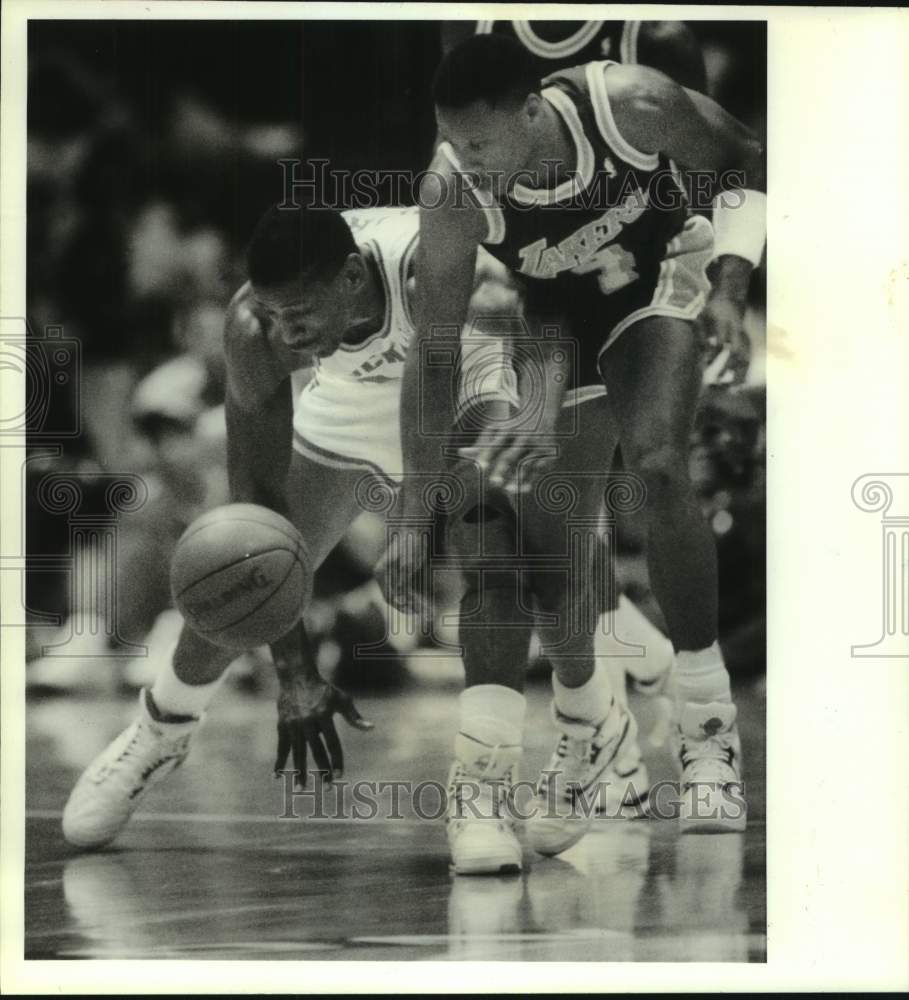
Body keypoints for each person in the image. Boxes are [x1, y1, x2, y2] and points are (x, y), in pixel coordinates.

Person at [60, 200, 650, 863]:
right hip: (352, 400)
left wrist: (415, 521)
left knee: (503, 552)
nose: (287, 331)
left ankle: (502, 775)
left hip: (468, 373)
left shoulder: (445, 272)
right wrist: (295, 675)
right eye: (276, 315)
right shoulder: (254, 326)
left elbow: (539, 334)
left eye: (301, 316)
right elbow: (255, 502)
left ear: (349, 277)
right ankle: (157, 731)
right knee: (241, 561)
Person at [390, 35, 765, 855]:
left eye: (479, 142)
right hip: (555, 326)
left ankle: (708, 735)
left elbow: (745, 159)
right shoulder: (452, 191)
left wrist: (733, 291)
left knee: (659, 460)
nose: (464, 157)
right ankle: (596, 732)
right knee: (547, 534)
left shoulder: (628, 102)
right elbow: (434, 351)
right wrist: (416, 518)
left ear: (530, 112)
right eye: (450, 140)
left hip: (661, 275)